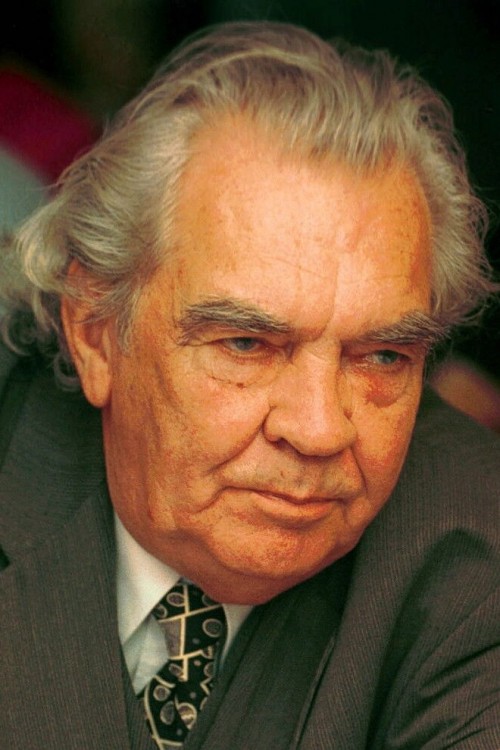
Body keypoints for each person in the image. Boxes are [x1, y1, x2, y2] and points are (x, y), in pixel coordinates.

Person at [0, 21, 498, 750]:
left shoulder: (476, 551)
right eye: (246, 344)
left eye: (383, 357)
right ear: (97, 333)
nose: (320, 428)